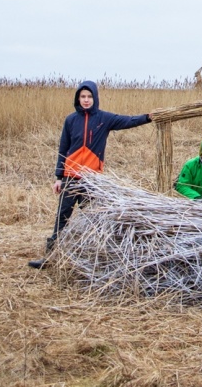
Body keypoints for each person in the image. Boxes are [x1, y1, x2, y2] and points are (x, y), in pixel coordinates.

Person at [28, 80, 152, 268]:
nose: (86, 100)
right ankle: (51, 257)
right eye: (82, 97)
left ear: (95, 98)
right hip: (70, 177)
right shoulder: (71, 120)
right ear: (78, 99)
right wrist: (59, 177)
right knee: (62, 217)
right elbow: (63, 148)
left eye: (89, 97)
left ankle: (93, 261)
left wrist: (148, 117)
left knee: (92, 220)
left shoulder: (105, 119)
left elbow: (128, 121)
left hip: (92, 180)